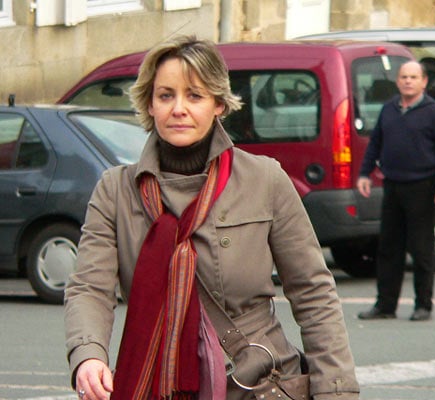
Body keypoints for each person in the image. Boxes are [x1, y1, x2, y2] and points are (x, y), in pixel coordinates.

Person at [64, 35, 360, 400]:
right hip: (150, 382)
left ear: (219, 103)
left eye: (195, 95)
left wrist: (337, 391)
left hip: (255, 382)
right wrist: (88, 356)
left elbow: (313, 292)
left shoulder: (264, 179)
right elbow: (89, 288)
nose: (179, 108)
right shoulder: (115, 190)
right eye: (166, 95)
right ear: (150, 104)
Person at [356, 60, 435, 322]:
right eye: (403, 77)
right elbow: (375, 143)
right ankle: (385, 305)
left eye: (414, 77)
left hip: (424, 187)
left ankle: (423, 304)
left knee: (422, 248)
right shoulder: (388, 109)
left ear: (424, 81)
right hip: (393, 185)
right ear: (397, 81)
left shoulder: (433, 112)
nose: (408, 81)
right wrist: (365, 173)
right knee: (389, 248)